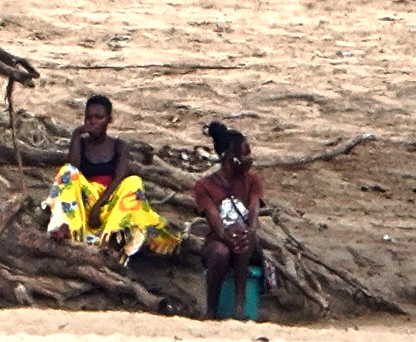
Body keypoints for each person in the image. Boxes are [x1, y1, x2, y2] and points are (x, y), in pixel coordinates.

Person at [43, 92, 175, 257]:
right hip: (85, 202)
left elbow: (119, 177)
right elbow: (73, 169)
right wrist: (77, 134)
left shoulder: (119, 146)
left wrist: (98, 206)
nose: (93, 122)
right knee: (67, 172)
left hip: (110, 202)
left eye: (99, 117)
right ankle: (66, 227)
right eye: (89, 117)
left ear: (109, 120)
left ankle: (110, 237)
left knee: (134, 182)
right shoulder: (82, 144)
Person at [193, 119, 274, 323]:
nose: (249, 159)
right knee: (220, 252)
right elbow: (214, 220)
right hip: (218, 240)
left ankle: (239, 303)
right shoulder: (205, 185)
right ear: (230, 157)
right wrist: (227, 237)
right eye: (244, 154)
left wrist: (248, 230)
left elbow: (254, 210)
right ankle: (212, 309)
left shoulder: (252, 180)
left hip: (245, 239)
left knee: (243, 239)